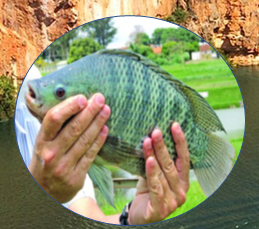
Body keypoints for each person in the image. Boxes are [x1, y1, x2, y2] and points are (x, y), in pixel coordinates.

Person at [15, 65, 190, 224]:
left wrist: (130, 218)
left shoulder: (26, 81)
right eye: (59, 93)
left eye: (60, 93)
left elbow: (87, 217)